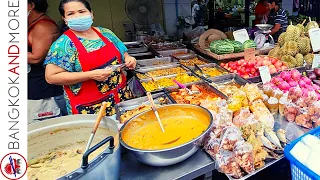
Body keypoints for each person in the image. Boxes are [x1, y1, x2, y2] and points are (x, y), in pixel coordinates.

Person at [44, 0, 136, 116]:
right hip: (90, 107)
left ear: (91, 14)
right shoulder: (63, 45)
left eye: (82, 11)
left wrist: (129, 59)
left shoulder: (106, 33)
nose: (78, 16)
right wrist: (90, 75)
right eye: (71, 14)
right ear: (65, 19)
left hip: (122, 98)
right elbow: (51, 77)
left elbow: (124, 53)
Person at [28, 0, 67, 124]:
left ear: (31, 5)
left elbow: (36, 57)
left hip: (43, 92)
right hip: (34, 90)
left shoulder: (42, 26)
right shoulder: (31, 24)